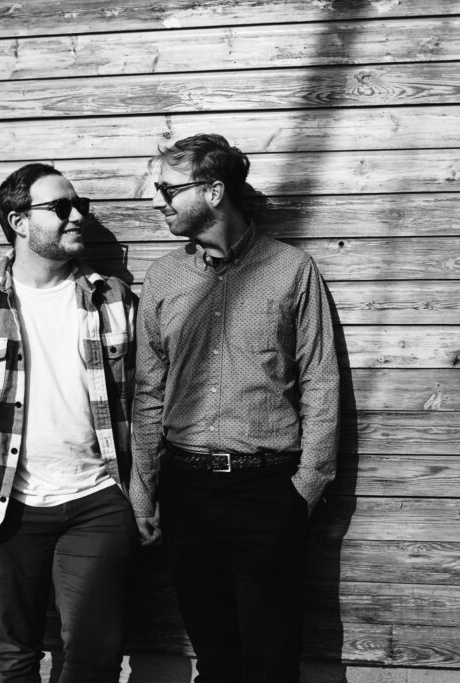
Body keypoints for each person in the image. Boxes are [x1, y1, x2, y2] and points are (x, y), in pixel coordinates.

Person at [130, 133, 340, 682]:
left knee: (272, 662)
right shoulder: (163, 278)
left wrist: (306, 487)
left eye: (167, 188)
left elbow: (320, 379)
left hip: (268, 491)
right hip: (185, 491)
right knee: (216, 658)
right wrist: (144, 488)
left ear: (215, 190)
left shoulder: (292, 270)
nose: (158, 201)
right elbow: (149, 391)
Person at [0, 163, 137, 682]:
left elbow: (143, 398)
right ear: (19, 222)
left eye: (79, 204)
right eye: (61, 208)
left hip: (98, 500)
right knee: (10, 653)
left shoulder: (112, 299)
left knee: (94, 658)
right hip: (3, 503)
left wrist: (136, 488)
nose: (77, 215)